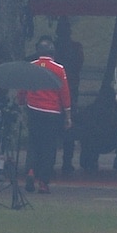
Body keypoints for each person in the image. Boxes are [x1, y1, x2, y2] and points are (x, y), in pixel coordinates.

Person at [19, 36, 72, 194]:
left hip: (33, 109)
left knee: (33, 143)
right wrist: (68, 114)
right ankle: (43, 182)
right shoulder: (59, 69)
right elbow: (65, 93)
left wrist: (21, 102)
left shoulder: (31, 66)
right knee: (49, 147)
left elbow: (23, 88)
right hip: (52, 113)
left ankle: (30, 171)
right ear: (52, 52)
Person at [55, 17, 85, 173]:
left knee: (69, 127)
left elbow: (78, 65)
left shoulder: (76, 48)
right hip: (53, 95)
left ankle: (67, 161)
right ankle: (50, 161)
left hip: (70, 92)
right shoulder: (52, 49)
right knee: (53, 128)